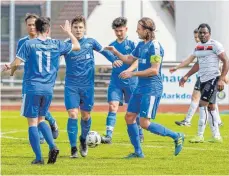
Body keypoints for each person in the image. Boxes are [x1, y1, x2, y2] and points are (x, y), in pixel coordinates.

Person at [2, 17, 81, 164]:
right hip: (48, 89)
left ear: (36, 29)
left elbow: (17, 63)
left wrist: (10, 69)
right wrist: (69, 33)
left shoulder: (29, 44)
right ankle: (52, 146)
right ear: (48, 30)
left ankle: (38, 158)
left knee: (32, 123)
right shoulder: (56, 44)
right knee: (42, 119)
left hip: (32, 88)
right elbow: (76, 46)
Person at [105, 17, 184, 158]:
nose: (136, 31)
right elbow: (129, 59)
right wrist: (115, 52)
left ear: (147, 30)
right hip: (140, 87)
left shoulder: (155, 46)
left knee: (144, 123)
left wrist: (132, 73)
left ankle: (177, 136)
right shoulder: (141, 45)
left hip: (152, 88)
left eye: (139, 28)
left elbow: (154, 70)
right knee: (129, 117)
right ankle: (138, 152)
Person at [63, 15, 117, 158]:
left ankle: (83, 140)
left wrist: (114, 60)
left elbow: (104, 51)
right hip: (71, 86)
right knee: (73, 114)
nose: (78, 30)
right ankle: (73, 147)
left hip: (87, 86)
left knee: (86, 116)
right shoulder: (66, 44)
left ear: (84, 29)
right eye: (75, 27)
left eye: (81, 27)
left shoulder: (90, 42)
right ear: (72, 29)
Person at [179, 23, 229, 143]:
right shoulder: (198, 47)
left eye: (204, 33)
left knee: (202, 104)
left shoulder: (215, 45)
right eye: (200, 33)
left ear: (209, 34)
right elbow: (197, 64)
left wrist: (221, 78)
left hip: (213, 79)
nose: (202, 35)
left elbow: (226, 60)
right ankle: (216, 136)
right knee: (211, 107)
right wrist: (186, 76)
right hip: (202, 79)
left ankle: (199, 135)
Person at [16, 13, 59, 144]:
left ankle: (40, 135)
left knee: (38, 110)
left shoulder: (48, 41)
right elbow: (19, 59)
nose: (32, 27)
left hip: (44, 82)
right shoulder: (23, 42)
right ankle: (51, 121)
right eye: (29, 25)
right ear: (26, 26)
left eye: (34, 24)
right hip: (28, 81)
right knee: (30, 109)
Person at [101, 17, 144, 144]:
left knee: (134, 110)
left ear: (126, 29)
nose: (119, 33)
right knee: (112, 106)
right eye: (116, 31)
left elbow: (137, 61)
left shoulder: (132, 44)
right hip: (116, 82)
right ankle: (108, 135)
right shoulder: (112, 46)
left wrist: (129, 71)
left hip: (131, 82)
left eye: (121, 30)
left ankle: (140, 133)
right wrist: (113, 61)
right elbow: (107, 55)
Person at [170, 29, 223, 127]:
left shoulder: (210, 47)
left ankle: (189, 122)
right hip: (202, 76)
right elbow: (190, 61)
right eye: (195, 37)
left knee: (202, 100)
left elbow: (219, 61)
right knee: (210, 101)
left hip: (210, 77)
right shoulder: (198, 48)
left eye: (198, 37)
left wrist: (223, 77)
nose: (197, 39)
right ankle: (217, 122)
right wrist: (178, 68)